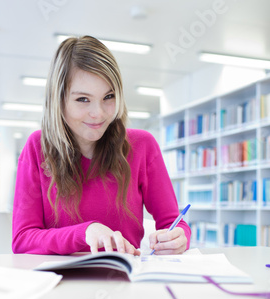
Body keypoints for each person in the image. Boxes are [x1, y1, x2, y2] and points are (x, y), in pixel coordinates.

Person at [12, 35, 191, 255]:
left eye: (109, 96)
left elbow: (174, 222)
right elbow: (23, 240)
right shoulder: (37, 148)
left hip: (125, 279)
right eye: (83, 99)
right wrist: (84, 233)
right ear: (58, 101)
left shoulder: (142, 146)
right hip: (61, 282)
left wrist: (178, 237)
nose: (98, 113)